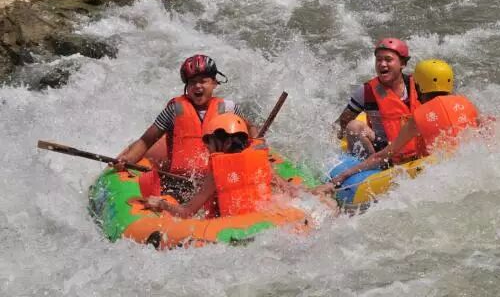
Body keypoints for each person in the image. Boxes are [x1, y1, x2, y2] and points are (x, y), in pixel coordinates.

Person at [315, 59, 480, 194]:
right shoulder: (467, 104)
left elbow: (382, 156)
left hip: (435, 173)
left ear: (419, 86)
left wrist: (339, 179)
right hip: (467, 165)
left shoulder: (419, 117)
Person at [115, 54, 257, 200]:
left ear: (214, 83)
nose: (198, 86)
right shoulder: (174, 110)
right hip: (179, 185)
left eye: (203, 81)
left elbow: (250, 129)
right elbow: (146, 140)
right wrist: (129, 159)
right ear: (187, 86)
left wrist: (256, 147)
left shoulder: (229, 108)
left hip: (219, 183)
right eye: (192, 82)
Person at [143, 114, 332, 217]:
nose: (207, 147)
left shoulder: (217, 171)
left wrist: (161, 204)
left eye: (208, 142)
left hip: (238, 230)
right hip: (274, 218)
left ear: (223, 143)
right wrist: (314, 191)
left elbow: (186, 212)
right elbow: (289, 190)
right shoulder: (259, 160)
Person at [335, 38, 424, 164]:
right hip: (382, 151)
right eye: (378, 60)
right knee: (353, 127)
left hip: (418, 150)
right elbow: (343, 122)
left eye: (388, 59)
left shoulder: (419, 86)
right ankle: (372, 166)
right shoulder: (366, 91)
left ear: (403, 63)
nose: (382, 64)